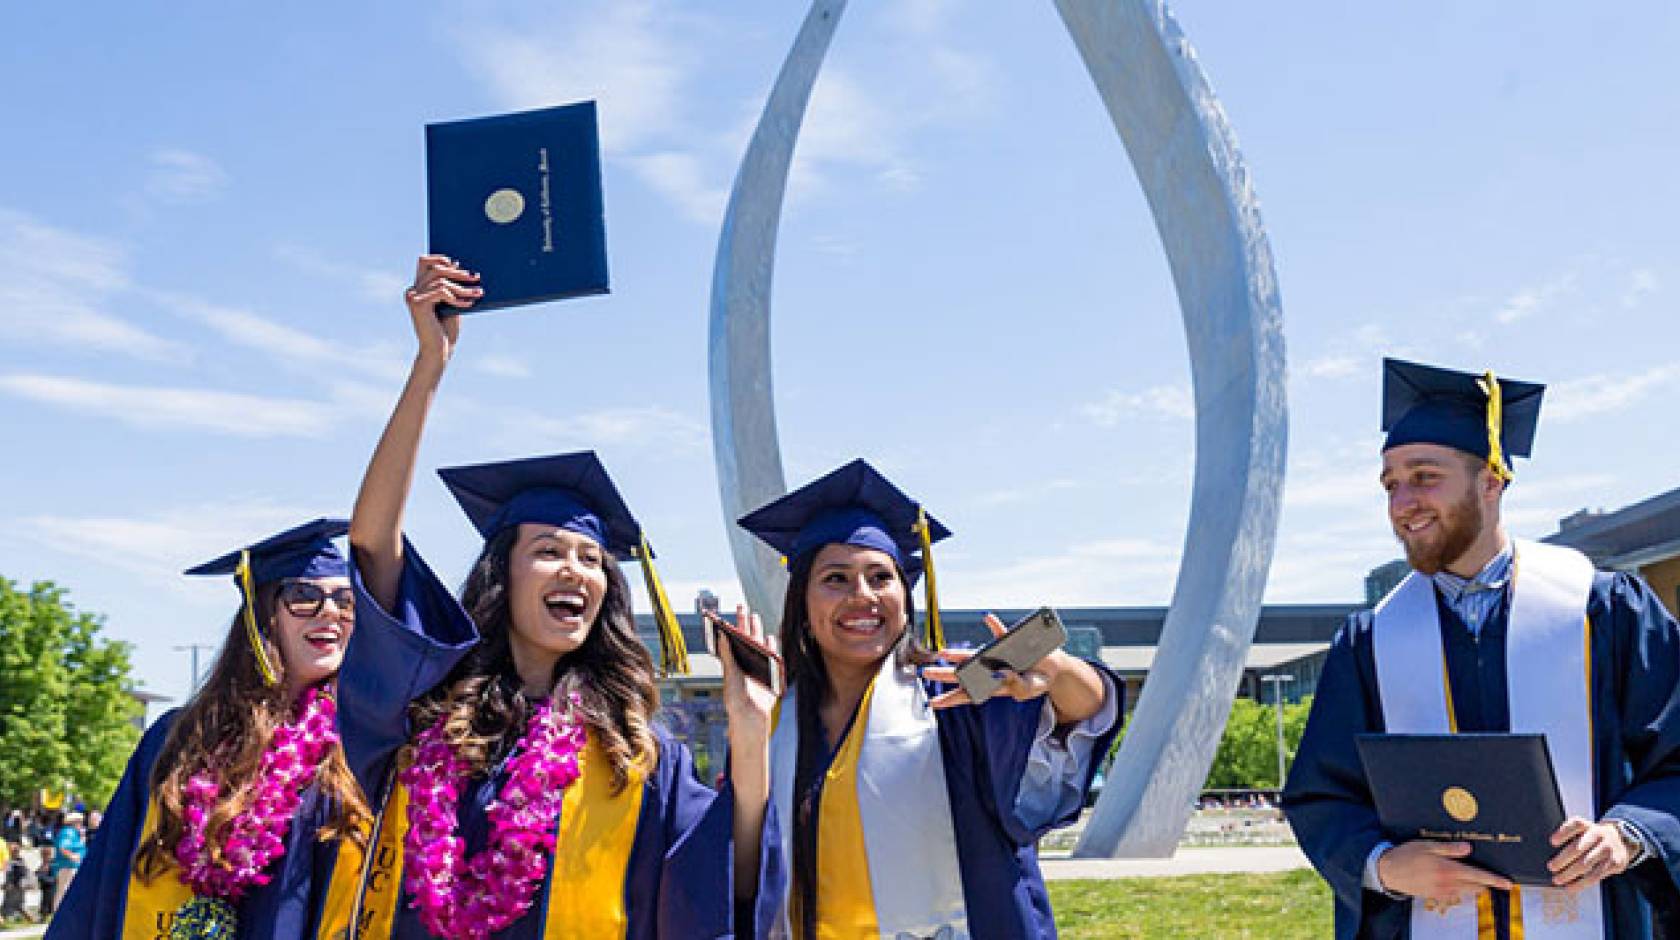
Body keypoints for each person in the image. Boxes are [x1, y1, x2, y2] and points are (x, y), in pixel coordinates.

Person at [331, 254, 783, 938]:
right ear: (501, 576)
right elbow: (371, 548)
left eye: (591, 559)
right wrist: (430, 365)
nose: (575, 569)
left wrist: (750, 745)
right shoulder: (422, 716)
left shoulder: (635, 752)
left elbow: (724, 890)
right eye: (548, 552)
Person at [1282, 358, 1680, 939]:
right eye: (1391, 485)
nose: (1402, 504)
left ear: (1491, 482)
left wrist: (1626, 834)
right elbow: (1324, 793)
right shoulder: (1371, 640)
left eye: (1424, 477)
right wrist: (1384, 866)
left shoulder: (1604, 610)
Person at [737, 459, 1121, 938]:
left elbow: (1083, 710)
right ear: (803, 601)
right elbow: (743, 871)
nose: (862, 595)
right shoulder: (776, 720)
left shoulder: (952, 691)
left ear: (906, 594)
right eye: (835, 578)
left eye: (881, 577)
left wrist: (1057, 669)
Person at [48, 519, 372, 939]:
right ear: (263, 615)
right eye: (304, 595)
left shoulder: (358, 743)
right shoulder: (180, 739)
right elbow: (105, 881)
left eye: (345, 600)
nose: (330, 612)